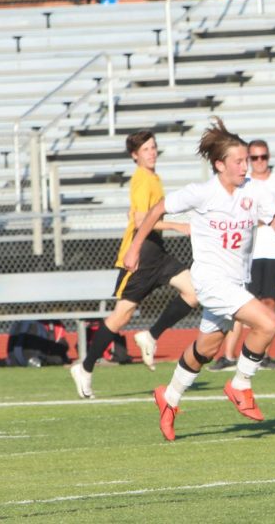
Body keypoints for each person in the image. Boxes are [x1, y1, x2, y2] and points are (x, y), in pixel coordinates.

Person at [124, 117, 275, 441]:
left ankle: (168, 398)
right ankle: (241, 384)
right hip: (211, 281)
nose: (246, 166)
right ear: (219, 164)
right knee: (268, 323)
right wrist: (134, 247)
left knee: (206, 349)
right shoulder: (200, 193)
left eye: (247, 160)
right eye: (239, 161)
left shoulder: (254, 192)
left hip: (235, 282)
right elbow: (158, 209)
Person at [69, 130, 199, 399]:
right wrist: (178, 225)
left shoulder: (154, 177)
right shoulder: (141, 179)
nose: (151, 152)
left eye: (153, 147)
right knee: (122, 316)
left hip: (157, 253)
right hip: (139, 254)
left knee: (193, 292)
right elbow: (141, 221)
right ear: (135, 155)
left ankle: (150, 336)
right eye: (146, 149)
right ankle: (85, 367)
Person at [209, 139, 275, 372]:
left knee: (269, 304)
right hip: (246, 255)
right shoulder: (242, 184)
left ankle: (262, 354)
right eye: (252, 158)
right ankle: (228, 355)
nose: (258, 162)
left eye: (262, 157)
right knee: (238, 306)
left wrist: (252, 219)